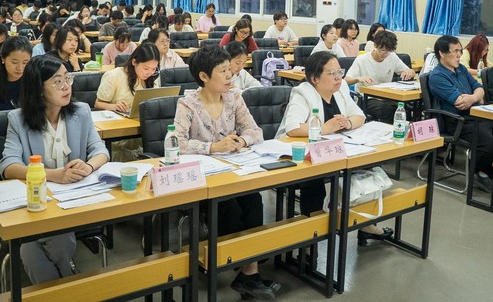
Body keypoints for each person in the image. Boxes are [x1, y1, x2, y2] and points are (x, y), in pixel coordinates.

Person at [173, 45, 280, 299]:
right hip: (204, 179)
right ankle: (248, 271)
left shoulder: (234, 98)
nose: (230, 75)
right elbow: (175, 144)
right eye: (222, 71)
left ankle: (248, 271)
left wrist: (241, 141)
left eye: (228, 69)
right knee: (228, 207)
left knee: (253, 200)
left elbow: (255, 131)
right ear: (204, 76)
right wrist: (213, 147)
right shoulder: (187, 104)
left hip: (233, 171)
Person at [0, 56, 109, 285]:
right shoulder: (18, 119)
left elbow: (100, 151)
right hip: (36, 200)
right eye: (57, 82)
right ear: (38, 89)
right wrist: (53, 175)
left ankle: (59, 288)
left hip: (72, 198)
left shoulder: (81, 112)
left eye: (67, 78)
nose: (66, 86)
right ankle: (68, 281)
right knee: (32, 246)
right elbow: (8, 165)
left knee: (43, 242)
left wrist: (88, 166)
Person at [276, 52, 368, 220]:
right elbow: (293, 128)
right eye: (331, 73)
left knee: (366, 168)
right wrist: (325, 128)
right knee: (314, 180)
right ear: (315, 79)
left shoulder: (340, 91)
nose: (338, 77)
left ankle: (361, 221)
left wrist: (348, 123)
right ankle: (313, 227)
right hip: (298, 156)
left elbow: (360, 116)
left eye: (340, 72)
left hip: (332, 152)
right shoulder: (303, 93)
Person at [428, 35, 493, 193]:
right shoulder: (438, 76)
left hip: (479, 115)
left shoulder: (461, 69)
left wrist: (473, 97)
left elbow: (480, 88)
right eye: (455, 51)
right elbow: (460, 102)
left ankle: (484, 169)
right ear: (442, 53)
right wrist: (475, 97)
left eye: (460, 51)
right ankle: (478, 171)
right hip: (459, 121)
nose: (459, 55)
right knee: (492, 145)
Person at [95, 44, 161, 161]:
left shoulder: (152, 77)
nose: (149, 73)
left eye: (153, 69)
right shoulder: (114, 75)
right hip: (119, 138)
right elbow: (97, 104)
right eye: (146, 68)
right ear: (134, 62)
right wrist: (114, 106)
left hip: (144, 133)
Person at [346, 30, 415, 123]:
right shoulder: (362, 60)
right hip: (367, 99)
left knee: (405, 108)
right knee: (389, 109)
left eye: (389, 51)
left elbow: (410, 71)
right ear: (375, 45)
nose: (385, 54)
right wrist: (359, 78)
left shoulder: (392, 56)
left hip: (387, 97)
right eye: (382, 50)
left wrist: (409, 72)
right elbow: (346, 80)